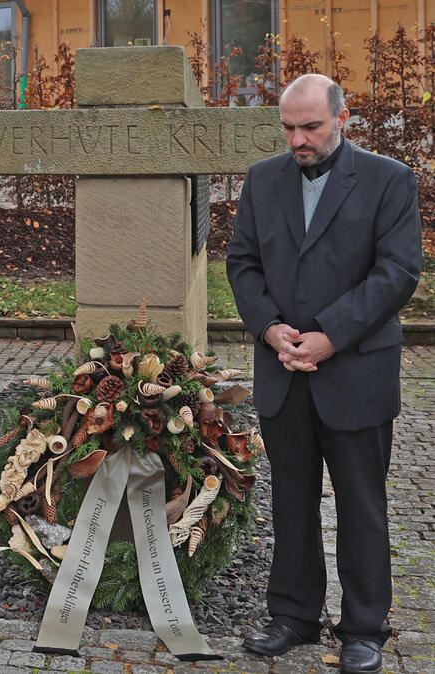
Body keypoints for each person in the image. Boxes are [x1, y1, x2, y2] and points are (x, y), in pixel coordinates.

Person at [227, 73, 421, 674]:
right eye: (288, 127)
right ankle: (292, 615)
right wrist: (268, 327)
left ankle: (364, 627)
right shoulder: (262, 180)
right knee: (290, 498)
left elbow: (398, 272)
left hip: (356, 371)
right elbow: (242, 262)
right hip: (281, 369)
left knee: (361, 504)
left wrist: (332, 335)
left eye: (310, 126)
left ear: (343, 116)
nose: (298, 139)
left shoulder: (390, 180)